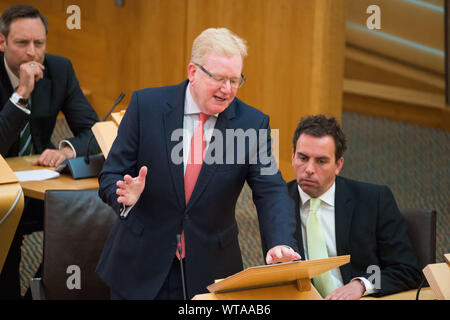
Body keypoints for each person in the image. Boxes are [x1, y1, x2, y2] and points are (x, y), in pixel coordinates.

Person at [97, 27, 300, 300]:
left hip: (210, 270)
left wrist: (280, 242)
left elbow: (271, 190)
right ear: (193, 72)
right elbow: (111, 174)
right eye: (218, 78)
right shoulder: (147, 106)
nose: (227, 89)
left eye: (235, 79)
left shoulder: (252, 124)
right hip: (141, 263)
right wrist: (124, 194)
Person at [0, 5, 100, 299]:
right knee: (7, 236)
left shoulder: (60, 69)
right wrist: (21, 95)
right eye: (22, 43)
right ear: (2, 42)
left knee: (87, 219)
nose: (32, 53)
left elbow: (93, 130)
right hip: (3, 191)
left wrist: (67, 150)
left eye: (39, 43)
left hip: (38, 184)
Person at [288, 114, 422, 299]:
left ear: (338, 165)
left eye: (321, 161)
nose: (309, 169)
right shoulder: (276, 202)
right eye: (303, 158)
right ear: (293, 156)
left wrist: (363, 284)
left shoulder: (374, 200)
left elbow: (407, 270)